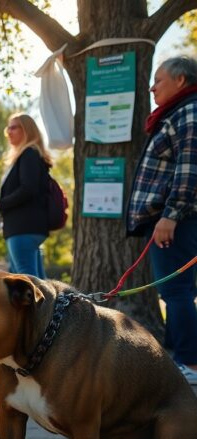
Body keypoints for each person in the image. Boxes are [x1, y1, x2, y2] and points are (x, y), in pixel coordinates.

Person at [127, 55, 197, 384]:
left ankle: (189, 364)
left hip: (178, 219)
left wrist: (170, 215)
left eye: (159, 80)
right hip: (173, 218)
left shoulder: (188, 110)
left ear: (180, 81)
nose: (153, 87)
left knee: (176, 290)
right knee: (175, 291)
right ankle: (180, 359)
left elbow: (188, 169)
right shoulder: (178, 111)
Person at [0, 114, 52, 279]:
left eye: (14, 127)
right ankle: (50, 305)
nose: (9, 132)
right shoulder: (30, 154)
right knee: (39, 282)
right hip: (27, 227)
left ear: (27, 130)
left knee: (27, 281)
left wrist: (1, 204)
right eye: (8, 128)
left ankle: (40, 306)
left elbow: (28, 189)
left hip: (23, 227)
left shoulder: (29, 154)